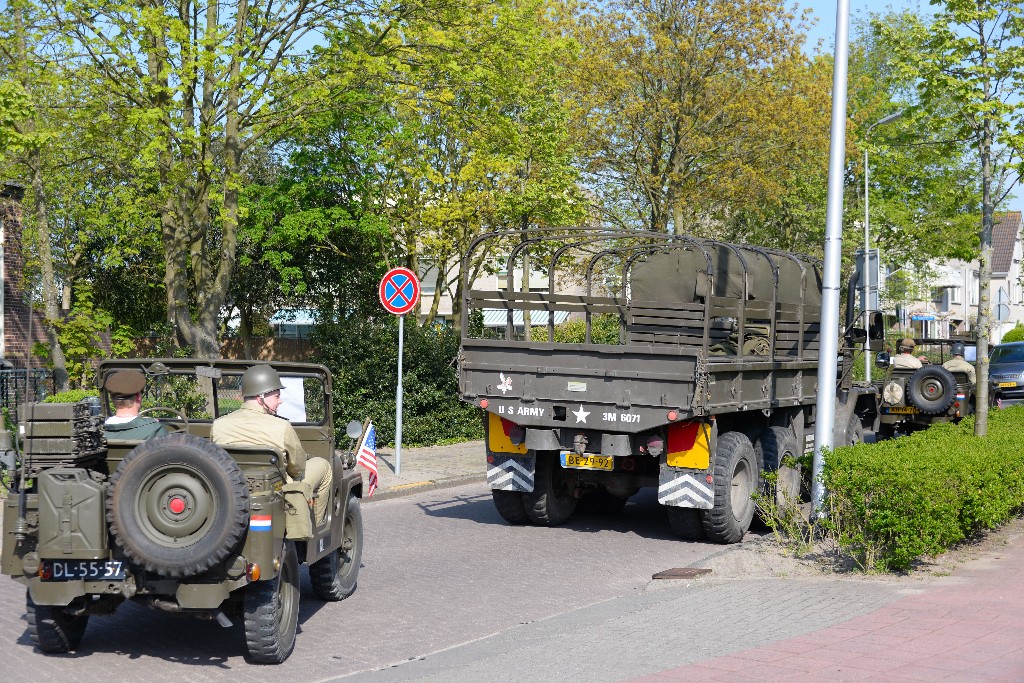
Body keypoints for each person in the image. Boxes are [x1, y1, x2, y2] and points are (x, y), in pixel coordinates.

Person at [211, 365, 332, 525]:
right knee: (324, 466)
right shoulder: (282, 427)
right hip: (275, 491)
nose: (280, 401)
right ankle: (314, 526)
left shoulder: (218, 425)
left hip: (231, 488)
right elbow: (297, 468)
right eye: (277, 396)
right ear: (261, 397)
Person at [103, 369, 169, 440]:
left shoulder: (97, 432)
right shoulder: (155, 431)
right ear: (138, 397)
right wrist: (148, 423)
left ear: (112, 398)